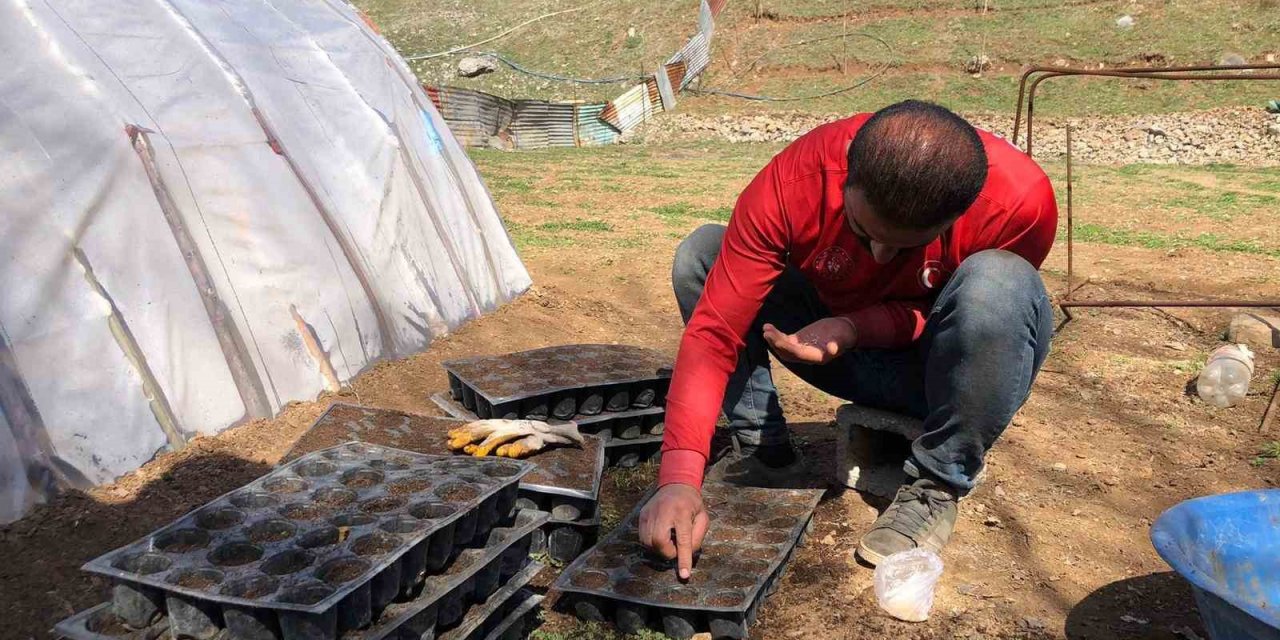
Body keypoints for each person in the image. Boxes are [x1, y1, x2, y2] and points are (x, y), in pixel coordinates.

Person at [637, 100, 1057, 576]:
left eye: (905, 246)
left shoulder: (1020, 202)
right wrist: (677, 478)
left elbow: (983, 328)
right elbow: (715, 333)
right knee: (703, 254)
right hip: (835, 357)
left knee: (999, 282)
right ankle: (761, 446)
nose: (879, 258)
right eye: (861, 231)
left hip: (945, 372)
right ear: (845, 178)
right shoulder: (796, 180)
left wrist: (859, 325)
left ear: (964, 210)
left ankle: (937, 486)